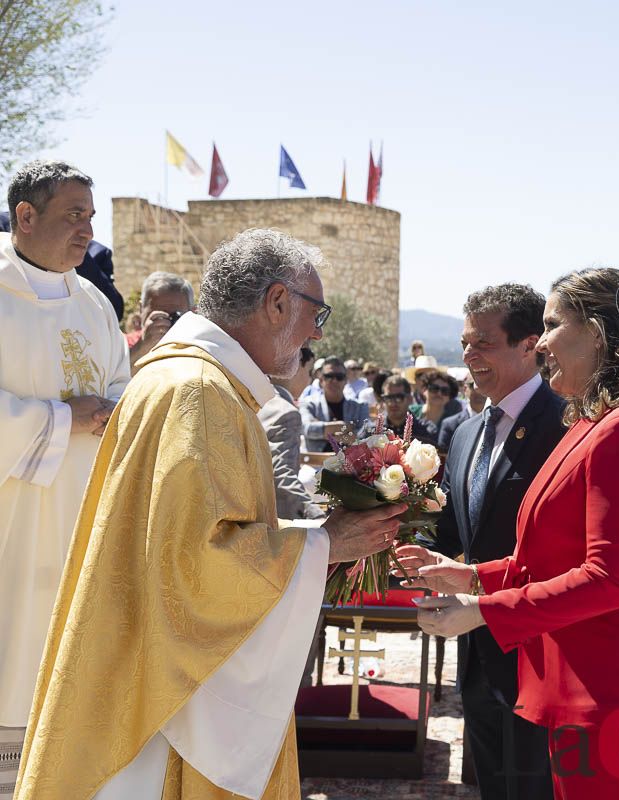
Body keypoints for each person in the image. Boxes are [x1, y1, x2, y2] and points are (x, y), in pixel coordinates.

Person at [15, 229, 408, 799]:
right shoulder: (198, 391)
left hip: (140, 662)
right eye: (314, 313)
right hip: (161, 709)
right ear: (276, 302)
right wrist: (327, 544)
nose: (316, 333)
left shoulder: (189, 379)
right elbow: (193, 564)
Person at [399, 268, 619, 798]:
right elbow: (552, 557)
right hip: (588, 683)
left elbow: (608, 579)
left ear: (600, 333)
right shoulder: (593, 422)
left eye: (552, 325)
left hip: (617, 689)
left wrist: (481, 611)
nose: (539, 342)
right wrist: (471, 576)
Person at [0, 161, 130, 798]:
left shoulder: (94, 304)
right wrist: (57, 419)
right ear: (25, 216)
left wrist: (112, 415)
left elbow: (120, 393)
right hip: (11, 522)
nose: (87, 228)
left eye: (90, 215)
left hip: (81, 513)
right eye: (72, 214)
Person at [417, 283, 564, 800]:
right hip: (477, 652)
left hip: (542, 655)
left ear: (530, 345)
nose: (468, 356)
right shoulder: (463, 434)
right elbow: (458, 536)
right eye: (464, 343)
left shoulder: (568, 426)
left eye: (483, 343)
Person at [258, 346, 323, 520]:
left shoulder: (256, 400)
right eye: (309, 372)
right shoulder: (286, 412)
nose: (309, 380)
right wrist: (318, 519)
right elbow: (282, 477)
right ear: (296, 367)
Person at [299, 356, 371, 452]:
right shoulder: (309, 404)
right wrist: (343, 427)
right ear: (321, 380)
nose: (334, 381)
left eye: (339, 377)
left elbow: (366, 435)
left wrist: (323, 429)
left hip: (352, 464)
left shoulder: (360, 406)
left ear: (345, 380)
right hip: (316, 464)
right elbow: (306, 428)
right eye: (329, 376)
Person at [126, 271, 195, 368]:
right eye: (159, 316)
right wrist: (142, 346)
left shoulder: (199, 348)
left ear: (192, 312)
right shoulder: (122, 346)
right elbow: (113, 378)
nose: (166, 323)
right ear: (141, 309)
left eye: (175, 316)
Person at [437, 374, 487, 450]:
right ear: (465, 389)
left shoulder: (499, 422)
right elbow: (443, 458)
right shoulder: (450, 425)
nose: (479, 391)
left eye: (484, 385)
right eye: (473, 385)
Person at [411, 371, 457, 447]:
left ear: (449, 396)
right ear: (424, 390)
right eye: (434, 388)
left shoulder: (452, 422)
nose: (439, 393)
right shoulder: (411, 413)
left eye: (444, 391)